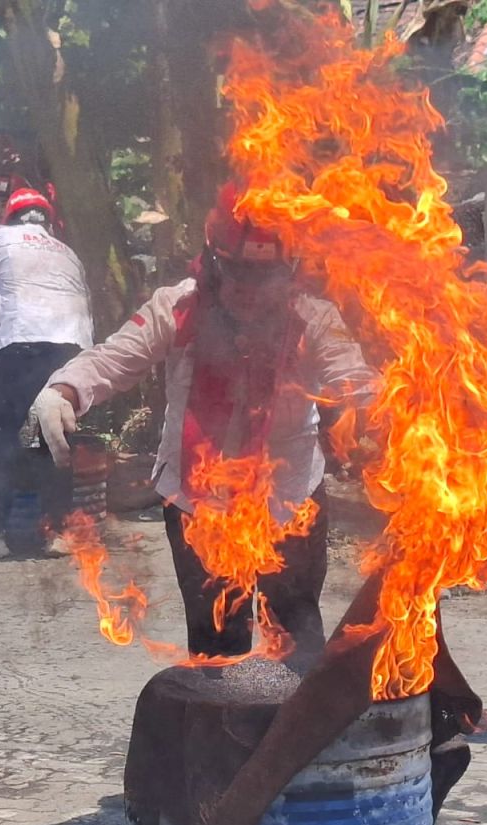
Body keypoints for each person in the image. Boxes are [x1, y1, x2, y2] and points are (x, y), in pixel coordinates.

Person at [29, 186, 376, 655]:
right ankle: (222, 726)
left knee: (296, 638)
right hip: (197, 500)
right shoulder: (177, 308)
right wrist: (63, 391)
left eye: (265, 276)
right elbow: (113, 360)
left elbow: (351, 378)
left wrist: (390, 417)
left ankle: (293, 726)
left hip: (290, 501)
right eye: (238, 274)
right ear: (214, 264)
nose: (251, 291)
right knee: (217, 644)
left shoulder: (313, 318)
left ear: (289, 272)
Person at [0, 188, 94, 558]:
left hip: (22, 346)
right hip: (74, 351)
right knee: (54, 439)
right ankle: (59, 533)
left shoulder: (2, 238)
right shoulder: (67, 252)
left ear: (9, 217)